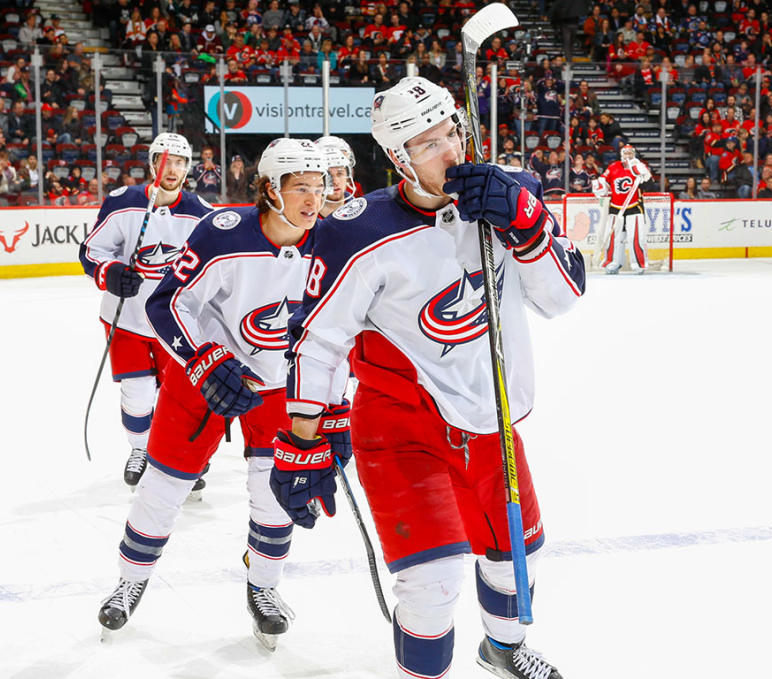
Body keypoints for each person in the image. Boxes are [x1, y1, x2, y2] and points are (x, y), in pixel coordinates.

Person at [275, 76, 579, 679]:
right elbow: (317, 340)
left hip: (492, 423)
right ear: (397, 158)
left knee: (517, 557)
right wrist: (301, 441)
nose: (450, 154)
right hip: (401, 429)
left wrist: (527, 225)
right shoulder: (356, 230)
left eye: (452, 134)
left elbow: (561, 299)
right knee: (430, 584)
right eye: (426, 144)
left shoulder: (509, 196)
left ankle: (503, 649)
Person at [96, 138, 334, 652]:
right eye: (301, 188)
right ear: (271, 189)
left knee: (275, 490)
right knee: (164, 484)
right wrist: (204, 360)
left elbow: (341, 331)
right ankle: (130, 577)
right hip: (201, 376)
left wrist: (334, 411)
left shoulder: (331, 244)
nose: (314, 200)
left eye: (319, 187)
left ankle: (264, 588)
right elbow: (165, 304)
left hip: (280, 388)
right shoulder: (223, 233)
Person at [78, 133, 212, 488]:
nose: (174, 169)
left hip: (174, 323)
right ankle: (140, 449)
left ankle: (174, 455)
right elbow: (92, 251)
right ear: (154, 164)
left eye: (181, 162)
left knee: (176, 396)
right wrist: (111, 273)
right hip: (127, 319)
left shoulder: (200, 213)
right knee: (136, 394)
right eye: (167, 161)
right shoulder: (124, 202)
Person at [592, 144, 652, 274]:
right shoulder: (614, 166)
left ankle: (639, 264)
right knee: (614, 237)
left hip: (634, 206)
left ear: (634, 154)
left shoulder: (638, 166)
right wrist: (599, 186)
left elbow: (649, 182)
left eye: (630, 153)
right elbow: (603, 180)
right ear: (621, 154)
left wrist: (643, 173)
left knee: (636, 237)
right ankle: (613, 263)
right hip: (615, 207)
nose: (628, 156)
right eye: (626, 153)